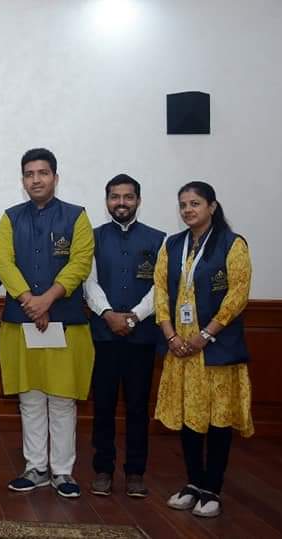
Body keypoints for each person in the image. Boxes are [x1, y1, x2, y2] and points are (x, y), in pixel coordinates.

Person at [0, 148, 95, 498]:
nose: (35, 179)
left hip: (65, 322)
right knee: (31, 397)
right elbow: (3, 263)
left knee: (62, 399)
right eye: (29, 174)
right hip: (20, 322)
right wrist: (29, 302)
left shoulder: (76, 217)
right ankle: (35, 467)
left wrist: (47, 299)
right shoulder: (10, 218)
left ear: (55, 176)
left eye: (42, 173)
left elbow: (80, 262)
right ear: (22, 180)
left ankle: (63, 472)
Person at [155, 181, 252, 519]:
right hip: (179, 348)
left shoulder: (232, 244)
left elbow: (237, 296)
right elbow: (160, 292)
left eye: (195, 203)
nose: (188, 210)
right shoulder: (173, 244)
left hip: (215, 350)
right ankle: (193, 483)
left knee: (217, 420)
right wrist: (170, 336)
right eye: (183, 204)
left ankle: (213, 489)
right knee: (188, 417)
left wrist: (205, 336)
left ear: (212, 206)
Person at [83, 174, 165, 497]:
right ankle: (103, 469)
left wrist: (135, 317)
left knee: (137, 408)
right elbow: (88, 282)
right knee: (102, 406)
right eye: (115, 197)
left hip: (140, 337)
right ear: (107, 202)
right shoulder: (93, 238)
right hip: (104, 336)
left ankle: (135, 473)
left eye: (127, 197)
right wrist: (108, 315)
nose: (121, 203)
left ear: (138, 201)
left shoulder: (160, 240)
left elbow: (162, 286)